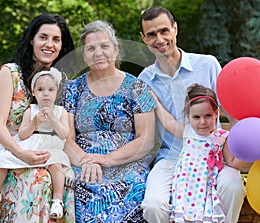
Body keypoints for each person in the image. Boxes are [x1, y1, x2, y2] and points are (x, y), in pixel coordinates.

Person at [138, 6, 246, 223]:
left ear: (175, 29)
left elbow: (230, 111)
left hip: (214, 154)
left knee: (233, 187)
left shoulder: (207, 64)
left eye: (164, 31)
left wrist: (239, 146)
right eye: (151, 34)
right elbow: (146, 130)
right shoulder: (144, 80)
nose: (159, 39)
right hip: (171, 157)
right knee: (153, 205)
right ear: (143, 38)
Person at [0, 13, 75, 223]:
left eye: (56, 39)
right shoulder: (11, 73)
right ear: (32, 39)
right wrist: (22, 153)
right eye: (43, 37)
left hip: (45, 151)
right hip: (6, 152)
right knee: (38, 181)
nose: (49, 44)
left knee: (68, 179)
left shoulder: (60, 81)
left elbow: (65, 129)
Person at [61, 20, 156, 223]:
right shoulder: (72, 89)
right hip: (81, 161)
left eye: (104, 46)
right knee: (80, 184)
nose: (98, 53)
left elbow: (146, 139)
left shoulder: (139, 87)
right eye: (91, 48)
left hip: (127, 161)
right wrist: (87, 161)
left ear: (116, 49)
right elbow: (66, 138)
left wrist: (106, 159)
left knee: (130, 185)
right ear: (83, 54)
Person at [0, 67, 73, 220]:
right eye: (41, 89)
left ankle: (57, 200)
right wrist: (34, 123)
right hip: (30, 144)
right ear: (33, 93)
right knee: (3, 160)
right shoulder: (30, 110)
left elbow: (64, 134)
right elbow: (23, 134)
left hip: (50, 146)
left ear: (56, 92)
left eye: (50, 90)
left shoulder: (60, 111)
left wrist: (53, 119)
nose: (45, 93)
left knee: (57, 167)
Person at [151, 83, 245, 222]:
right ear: (188, 116)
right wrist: (155, 100)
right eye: (196, 117)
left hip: (206, 187)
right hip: (186, 185)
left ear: (216, 113)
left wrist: (247, 151)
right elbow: (168, 121)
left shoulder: (221, 137)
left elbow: (232, 162)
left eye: (208, 115)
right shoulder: (187, 132)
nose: (202, 122)